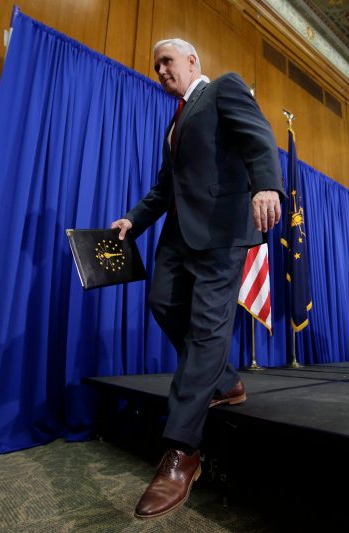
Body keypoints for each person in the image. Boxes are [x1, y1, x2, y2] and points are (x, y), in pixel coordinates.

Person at [110, 38, 284, 519]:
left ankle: (182, 452)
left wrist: (267, 183)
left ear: (192, 60)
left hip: (223, 230)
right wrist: (132, 221)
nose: (160, 70)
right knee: (162, 305)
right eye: (155, 66)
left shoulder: (224, 88)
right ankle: (225, 381)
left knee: (208, 329)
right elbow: (164, 188)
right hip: (177, 236)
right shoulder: (175, 122)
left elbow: (257, 134)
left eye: (167, 61)